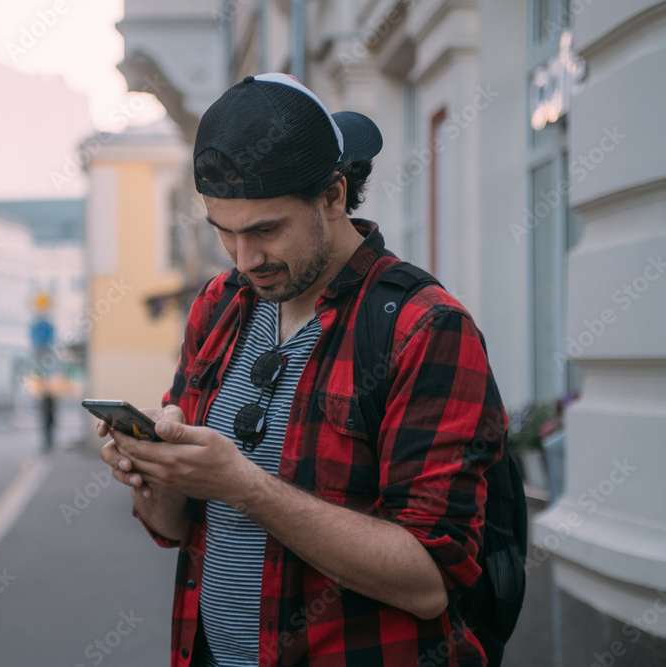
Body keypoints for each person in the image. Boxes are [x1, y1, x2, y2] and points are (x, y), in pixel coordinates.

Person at [98, 73, 507, 667]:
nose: (246, 259)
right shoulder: (219, 305)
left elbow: (427, 581)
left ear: (333, 197)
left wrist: (243, 485)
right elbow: (174, 527)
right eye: (225, 233)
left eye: (265, 230)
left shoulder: (422, 328)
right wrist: (153, 470)